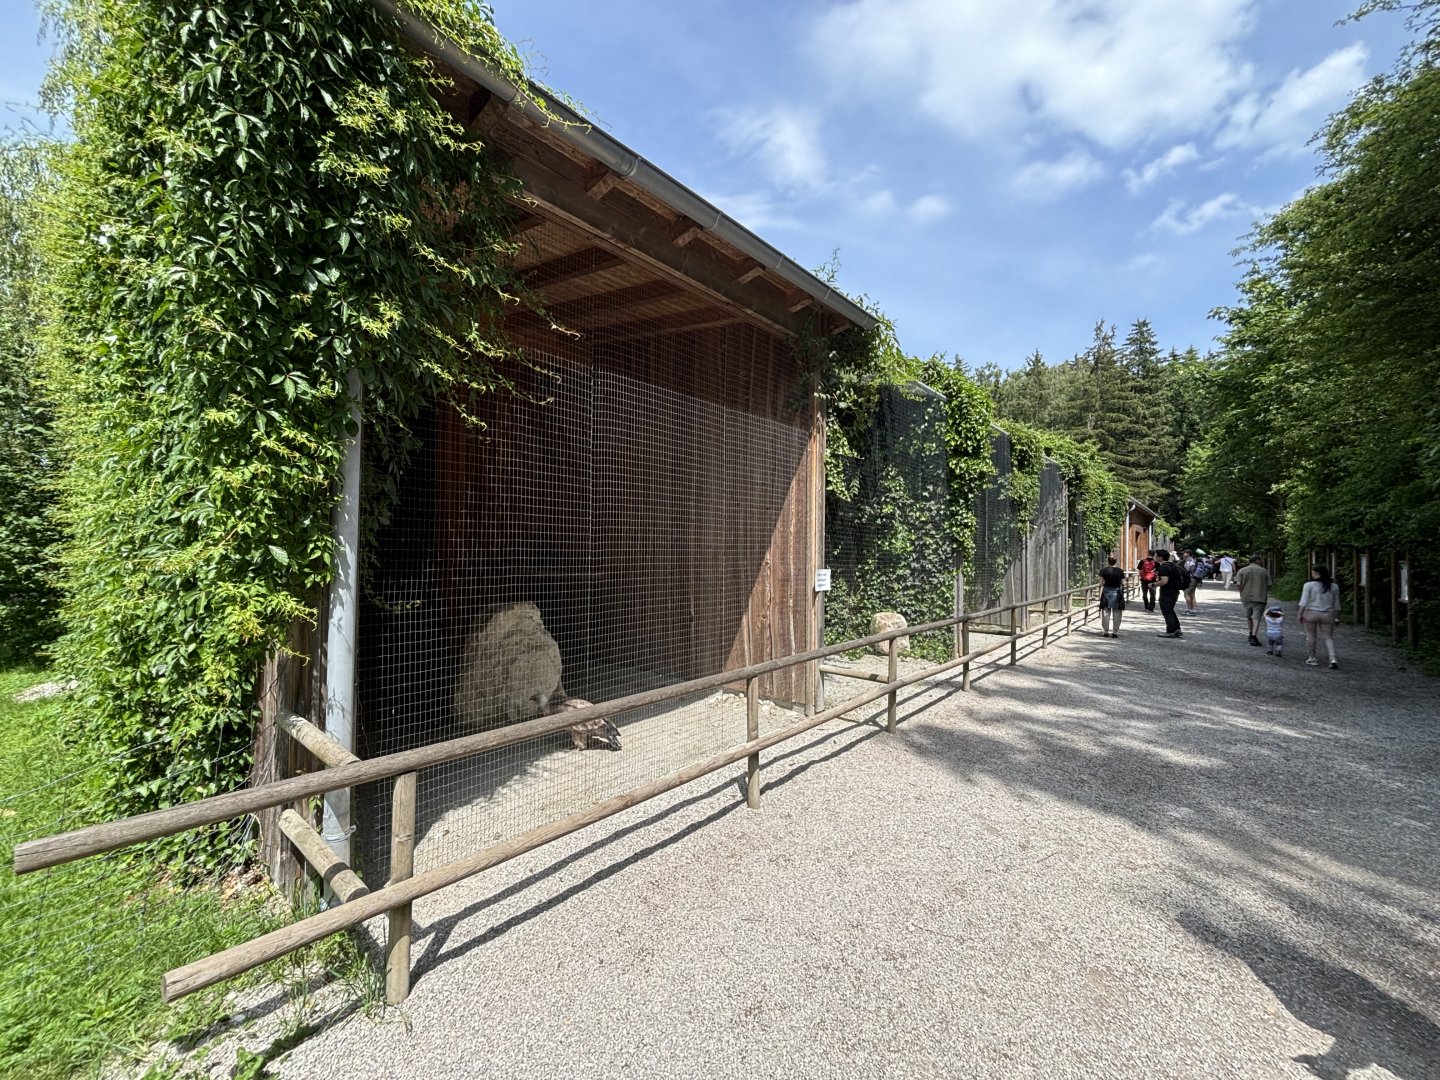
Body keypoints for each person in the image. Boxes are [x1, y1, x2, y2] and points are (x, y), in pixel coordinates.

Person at [1299, 564, 1342, 669]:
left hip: (1311, 613)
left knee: (1311, 635)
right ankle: (1332, 659)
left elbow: (1303, 602)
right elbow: (1337, 605)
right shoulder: (1334, 586)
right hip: (1328, 614)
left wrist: (1300, 614)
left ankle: (1312, 658)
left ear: (1316, 573)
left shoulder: (1308, 585)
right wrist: (1336, 617)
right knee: (1328, 637)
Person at [1235, 552, 1272, 647]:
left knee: (1249, 617)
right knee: (1256, 617)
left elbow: (1238, 583)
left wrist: (1241, 591)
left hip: (1246, 597)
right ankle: (1254, 636)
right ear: (1257, 560)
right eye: (1260, 560)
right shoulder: (1264, 571)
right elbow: (1269, 585)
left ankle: (1251, 633)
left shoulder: (1242, 570)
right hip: (1260, 597)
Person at [1153, 549, 1184, 637]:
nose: (1155, 557)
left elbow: (1164, 581)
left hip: (1167, 592)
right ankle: (1177, 629)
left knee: (1167, 611)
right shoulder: (1171, 565)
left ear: (1160, 557)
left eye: (1156, 555)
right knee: (1170, 610)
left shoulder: (1163, 567)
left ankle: (1170, 631)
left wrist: (1153, 584)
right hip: (1174, 591)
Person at [1097, 555, 1126, 638]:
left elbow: (1100, 583)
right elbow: (1123, 583)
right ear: (1115, 561)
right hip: (1117, 593)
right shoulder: (1120, 571)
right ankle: (1115, 632)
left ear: (1108, 561)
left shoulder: (1103, 570)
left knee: (1106, 612)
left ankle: (1106, 631)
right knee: (1117, 612)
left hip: (1106, 592)